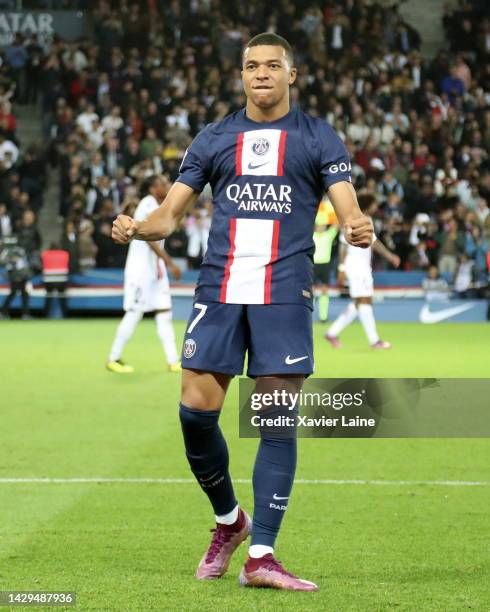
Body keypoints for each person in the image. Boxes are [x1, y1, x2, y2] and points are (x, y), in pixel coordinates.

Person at [112, 33, 373, 591]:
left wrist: (356, 223)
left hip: (283, 295)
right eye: (252, 66)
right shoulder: (215, 137)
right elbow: (168, 216)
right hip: (220, 291)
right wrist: (137, 228)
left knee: (275, 423)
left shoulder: (317, 137)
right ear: (241, 75)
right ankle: (229, 521)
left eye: (272, 66)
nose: (261, 74)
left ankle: (261, 555)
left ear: (291, 74)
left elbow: (346, 203)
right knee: (194, 416)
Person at [107, 175, 183, 373]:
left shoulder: (161, 204)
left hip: (155, 270)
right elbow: (149, 239)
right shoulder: (147, 204)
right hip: (141, 269)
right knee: (134, 312)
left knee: (164, 312)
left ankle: (173, 360)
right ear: (152, 187)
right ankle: (113, 358)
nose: (167, 185)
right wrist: (169, 262)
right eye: (162, 183)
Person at [325, 192, 400, 349]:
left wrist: (389, 255)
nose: (375, 207)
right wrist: (341, 268)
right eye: (373, 204)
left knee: (360, 302)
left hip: (362, 266)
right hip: (356, 266)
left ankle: (332, 333)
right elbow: (343, 247)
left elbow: (374, 243)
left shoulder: (367, 220)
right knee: (365, 300)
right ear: (368, 204)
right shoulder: (351, 220)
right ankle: (374, 341)